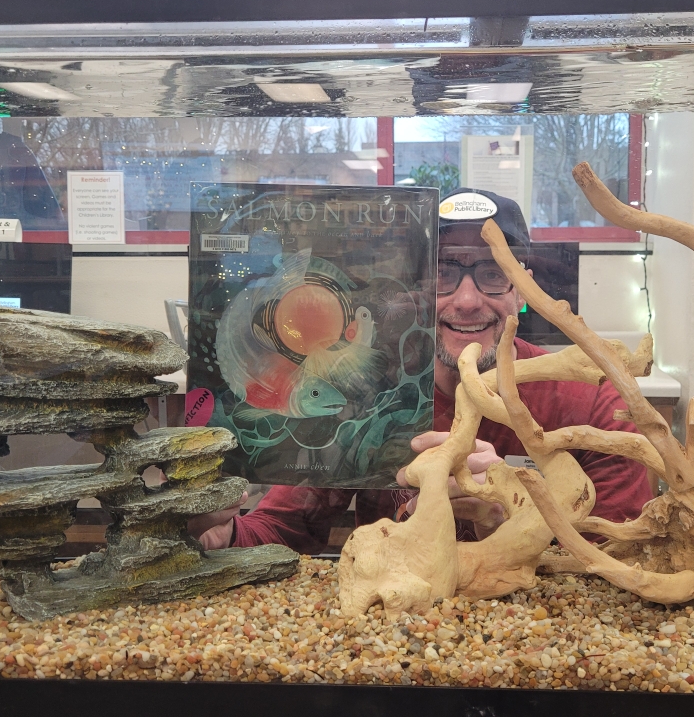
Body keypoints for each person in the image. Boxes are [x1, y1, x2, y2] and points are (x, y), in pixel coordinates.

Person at [188, 188, 654, 553]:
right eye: (444, 271)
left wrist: (517, 512)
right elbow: (282, 527)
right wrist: (220, 534)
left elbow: (627, 548)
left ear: (522, 289)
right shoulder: (367, 393)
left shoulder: (591, 400)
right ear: (417, 290)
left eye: (494, 271)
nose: (467, 300)